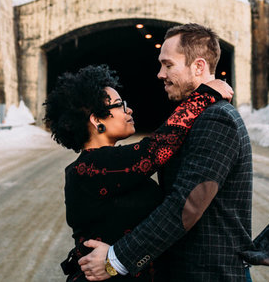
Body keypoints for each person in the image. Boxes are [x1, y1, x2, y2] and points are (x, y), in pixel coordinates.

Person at [79, 23, 254, 282]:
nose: (160, 74)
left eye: (168, 65)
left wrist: (115, 259)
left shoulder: (216, 119)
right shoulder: (193, 117)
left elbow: (186, 204)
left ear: (199, 66)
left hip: (209, 274)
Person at [44, 63, 233, 281]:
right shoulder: (90, 168)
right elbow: (156, 150)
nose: (129, 109)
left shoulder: (110, 164)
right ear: (97, 120)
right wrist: (204, 96)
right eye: (119, 105)